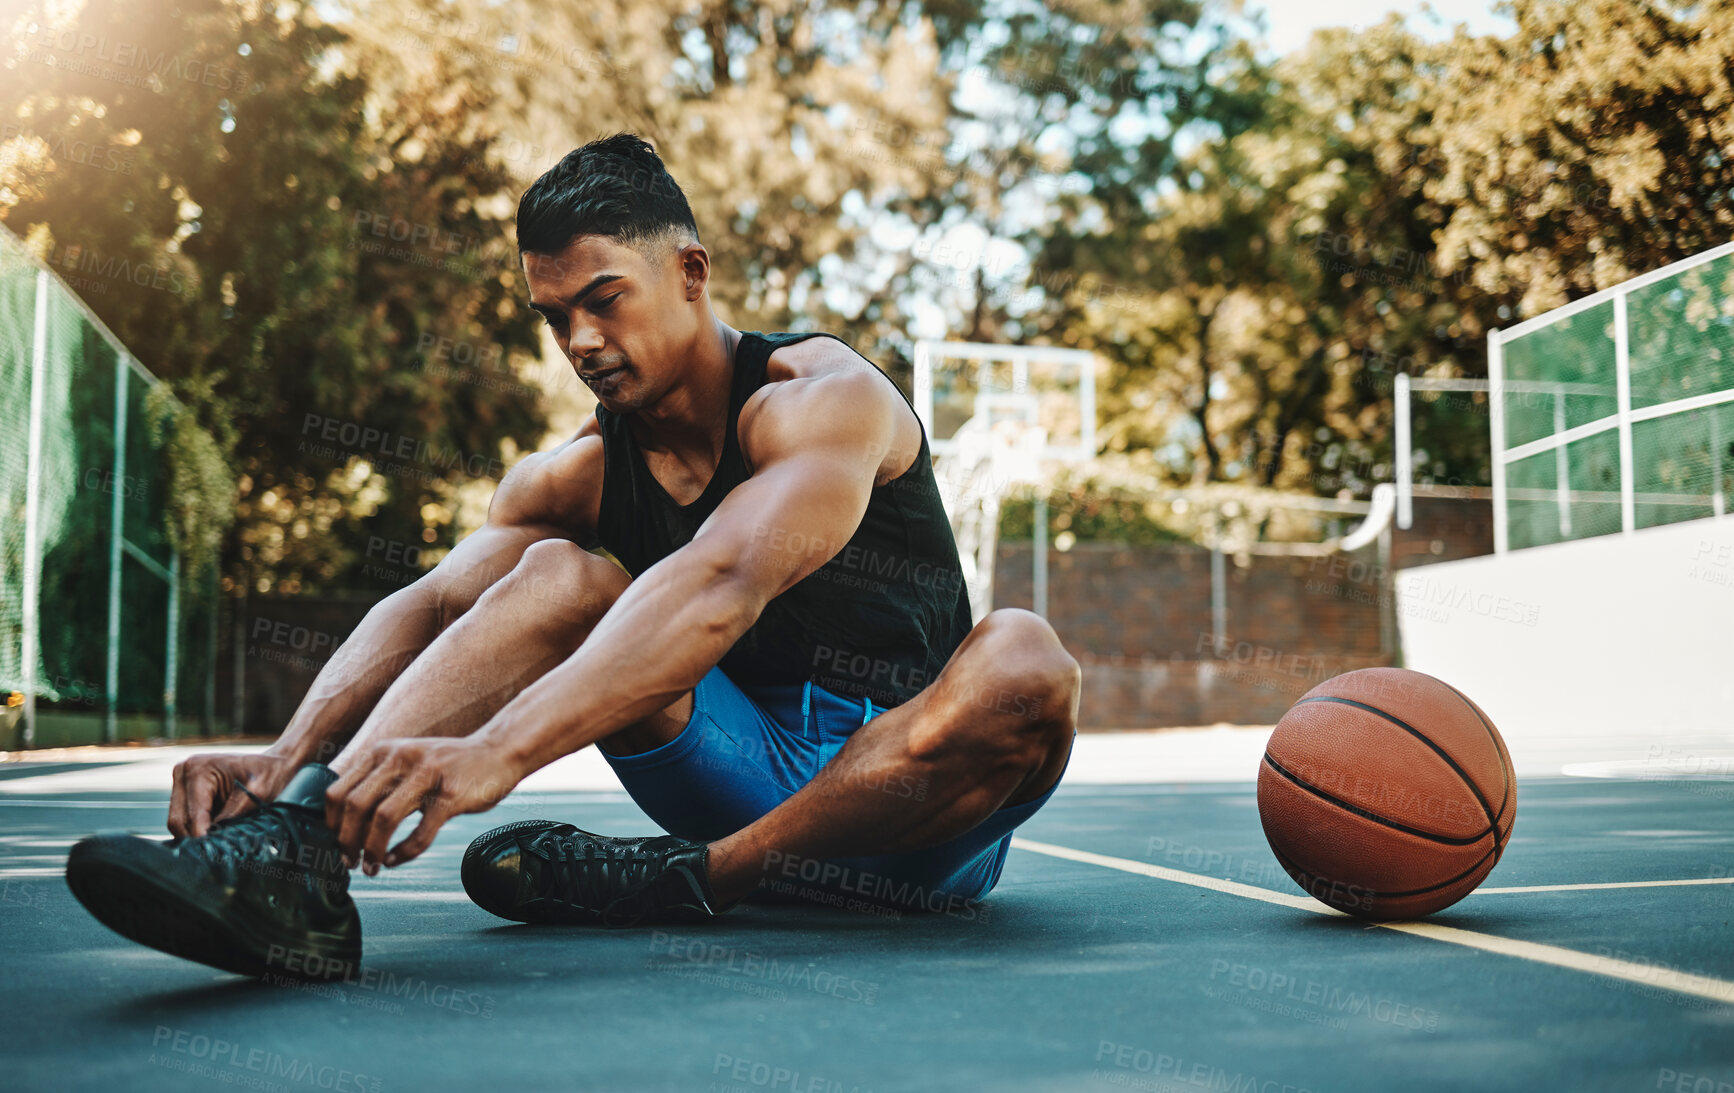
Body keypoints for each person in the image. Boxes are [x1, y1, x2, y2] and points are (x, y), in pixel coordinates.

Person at [65, 133, 1080, 980]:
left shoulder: (820, 401)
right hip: (733, 767)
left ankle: (699, 879)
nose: (582, 341)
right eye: (556, 318)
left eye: (605, 299)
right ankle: (294, 864)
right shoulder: (580, 471)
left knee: (1024, 658)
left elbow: (723, 581)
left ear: (690, 273)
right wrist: (289, 762)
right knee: (559, 577)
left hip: (916, 814)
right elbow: (429, 607)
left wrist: (494, 755)